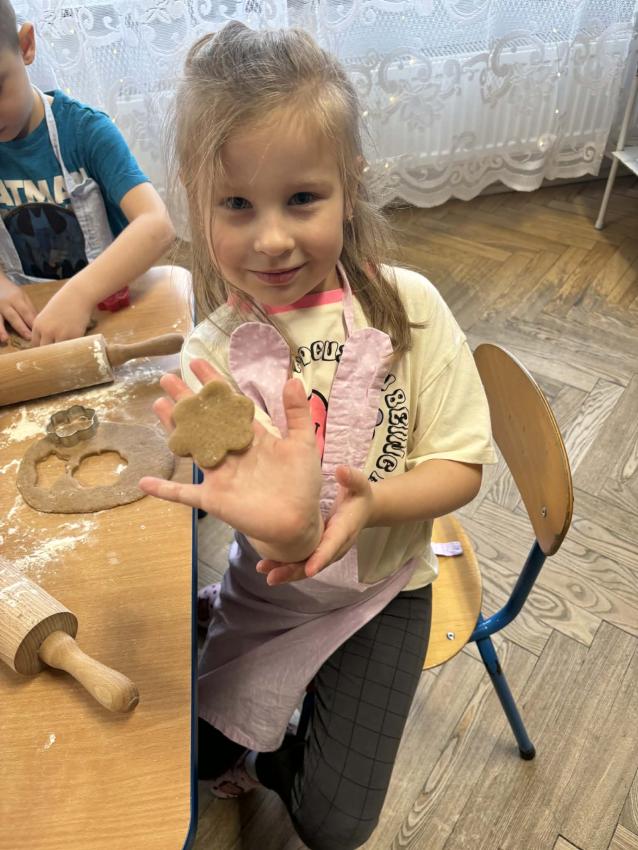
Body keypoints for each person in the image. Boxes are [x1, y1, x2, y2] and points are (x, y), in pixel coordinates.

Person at [139, 21, 496, 850]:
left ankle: (276, 751)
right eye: (237, 204)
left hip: (386, 590)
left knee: (334, 824)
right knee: (190, 762)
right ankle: (233, 672)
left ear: (349, 184)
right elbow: (248, 511)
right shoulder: (211, 356)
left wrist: (371, 504)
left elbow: (461, 467)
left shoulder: (406, 310)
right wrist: (273, 520)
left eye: (302, 199)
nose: (271, 239)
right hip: (271, 592)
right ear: (196, 199)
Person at [0, 1, 175, 346]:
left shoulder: (86, 132)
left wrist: (80, 293)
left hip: (112, 312)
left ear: (26, 46)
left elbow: (157, 225)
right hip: (32, 323)